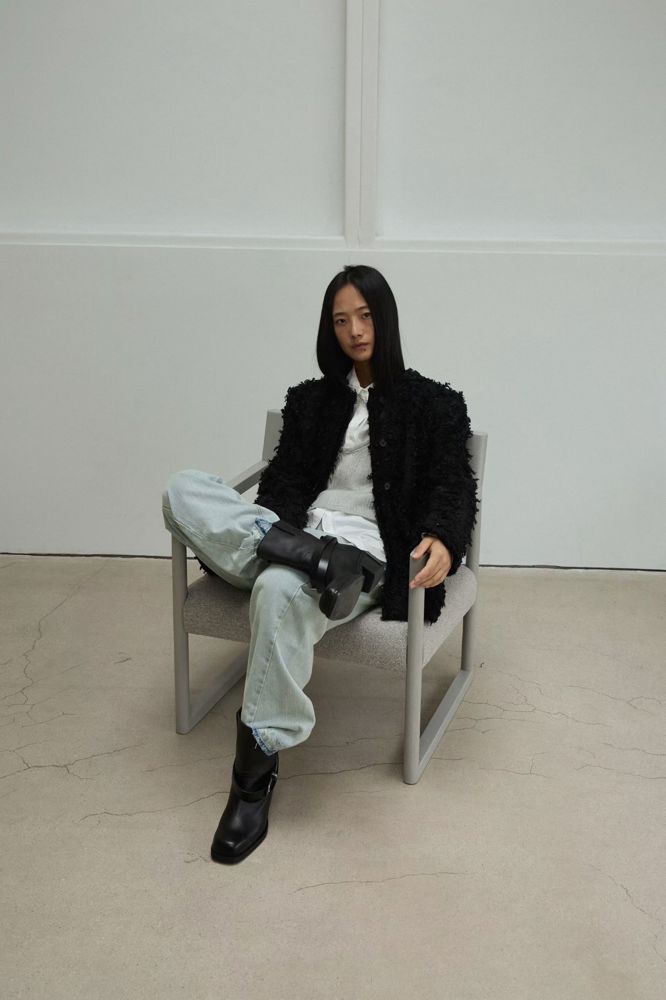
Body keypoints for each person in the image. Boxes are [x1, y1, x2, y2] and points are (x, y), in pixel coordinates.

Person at [162, 264, 477, 864]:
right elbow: (280, 485)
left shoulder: (433, 403)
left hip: (369, 553)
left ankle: (252, 780)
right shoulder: (310, 401)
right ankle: (308, 558)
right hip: (298, 536)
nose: (355, 330)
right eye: (341, 320)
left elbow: (453, 484)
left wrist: (442, 536)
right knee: (182, 488)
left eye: (365, 316)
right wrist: (279, 532)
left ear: (385, 319)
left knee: (278, 589)